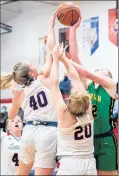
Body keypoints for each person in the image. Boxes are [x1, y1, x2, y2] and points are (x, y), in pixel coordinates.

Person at [1, 13, 57, 176]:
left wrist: (14, 100)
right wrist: (50, 26)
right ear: (32, 72)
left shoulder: (20, 94)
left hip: (29, 132)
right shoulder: (43, 78)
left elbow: (11, 116)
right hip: (47, 132)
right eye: (33, 65)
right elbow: (50, 50)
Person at [69, 20, 118, 175]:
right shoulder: (88, 85)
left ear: (107, 76)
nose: (97, 69)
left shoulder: (110, 85)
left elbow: (87, 72)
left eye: (101, 69)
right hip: (87, 140)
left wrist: (65, 61)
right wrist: (72, 30)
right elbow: (75, 57)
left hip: (105, 140)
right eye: (96, 68)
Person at [49, 44, 97, 175]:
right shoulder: (89, 112)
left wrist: (56, 59)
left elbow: (53, 83)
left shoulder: (64, 115)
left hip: (70, 163)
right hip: (89, 162)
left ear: (69, 101)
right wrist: (64, 59)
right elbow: (75, 78)